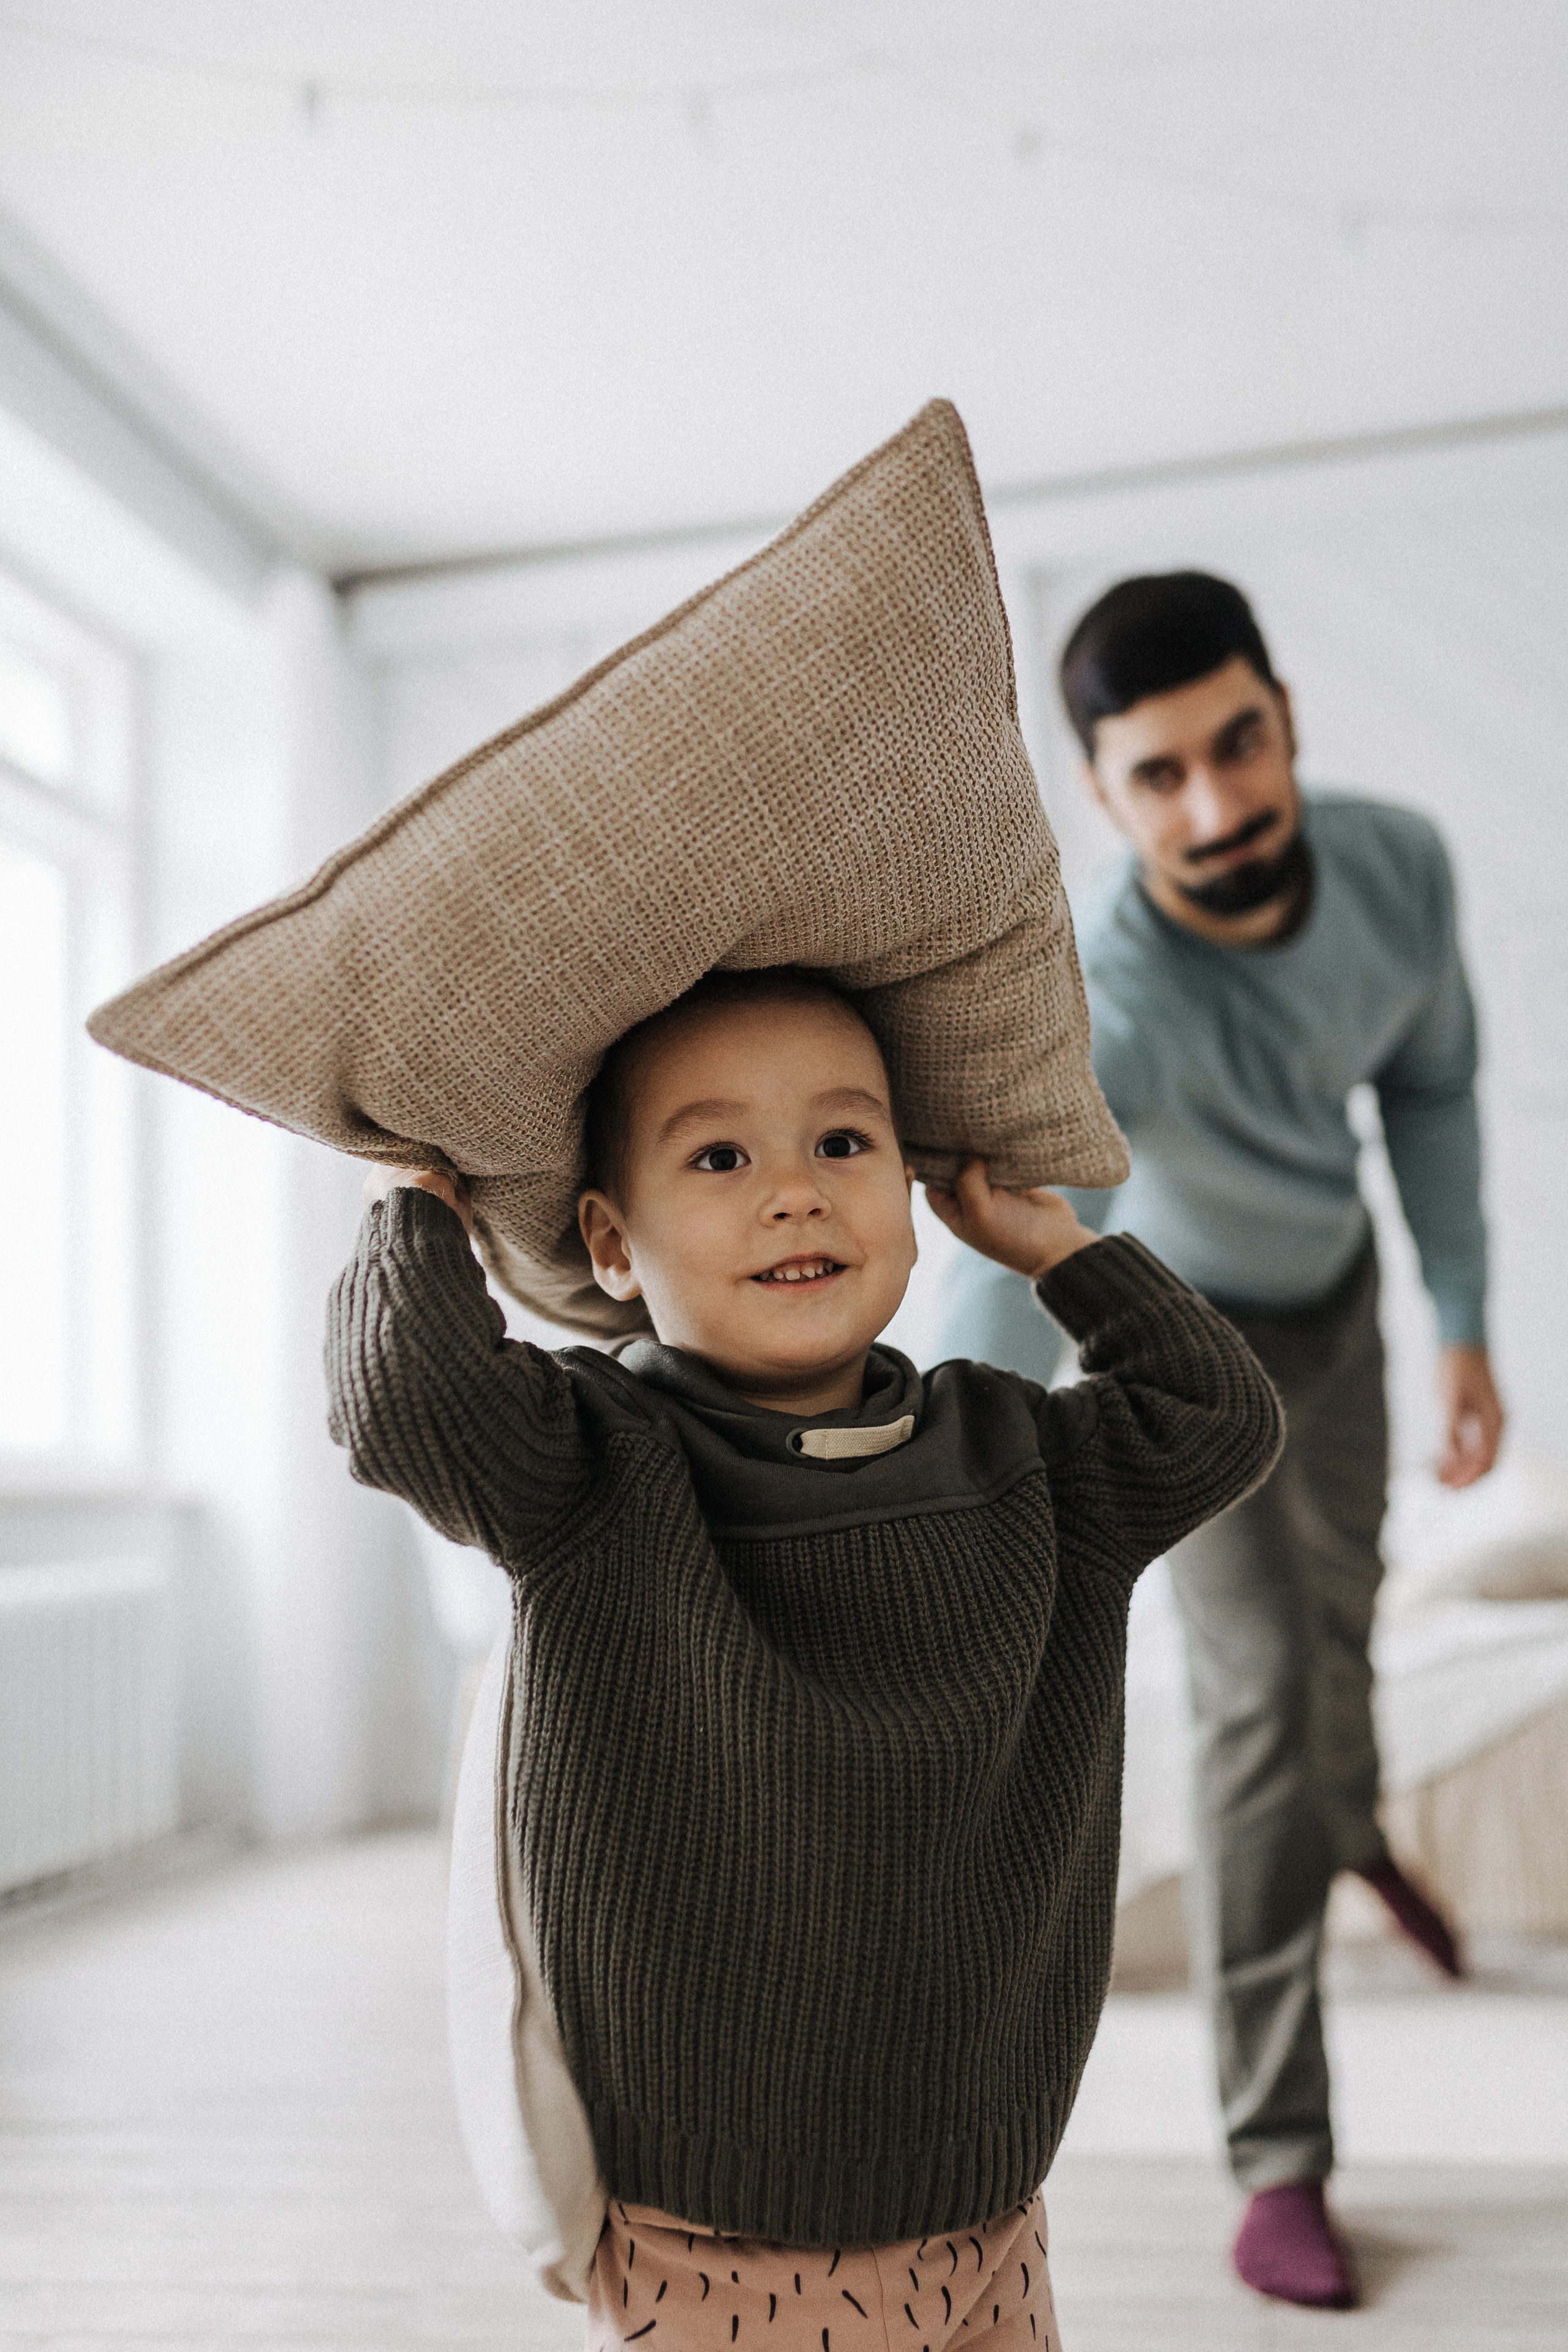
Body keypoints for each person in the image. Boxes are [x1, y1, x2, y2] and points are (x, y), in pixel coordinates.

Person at [328, 965, 1282, 2350]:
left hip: (989, 2202)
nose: (794, 1189)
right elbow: (401, 1403)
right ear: (611, 1242)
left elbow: (1215, 1416)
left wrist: (1054, 1247)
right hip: (715, 2237)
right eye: (719, 1156)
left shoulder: (1029, 1457)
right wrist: (420, 1197)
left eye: (844, 1142)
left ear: (910, 1191)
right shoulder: (592, 1463)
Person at [934, 573, 1504, 2312]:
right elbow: (1028, 1256)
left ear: (1286, 716)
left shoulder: (1397, 865)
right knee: (1263, 1702)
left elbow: (1429, 1082)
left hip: (1338, 1308)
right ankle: (1282, 2154)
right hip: (1183, 1353)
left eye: (1238, 747)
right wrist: (932, 1462)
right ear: (1103, 797)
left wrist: (1463, 1316)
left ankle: (1358, 1828)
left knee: (1349, 1624)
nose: (1218, 804)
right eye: (1160, 775)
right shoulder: (1109, 998)